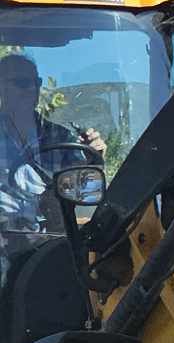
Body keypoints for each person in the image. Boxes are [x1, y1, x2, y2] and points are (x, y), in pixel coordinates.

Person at [0, 53, 106, 219]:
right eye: (22, 83)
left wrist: (93, 161)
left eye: (37, 82)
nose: (32, 89)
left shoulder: (62, 137)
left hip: (52, 231)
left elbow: (86, 193)